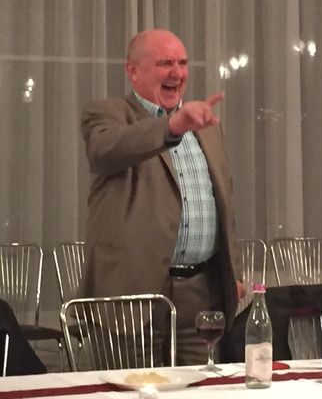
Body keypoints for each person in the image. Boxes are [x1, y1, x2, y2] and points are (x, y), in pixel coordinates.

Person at [79, 28, 245, 365]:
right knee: (131, 386)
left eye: (182, 63)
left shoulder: (208, 126)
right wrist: (172, 127)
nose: (177, 73)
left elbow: (224, 206)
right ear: (133, 71)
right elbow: (106, 150)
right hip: (131, 295)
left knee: (201, 387)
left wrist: (234, 273)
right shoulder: (107, 114)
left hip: (201, 294)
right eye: (165, 63)